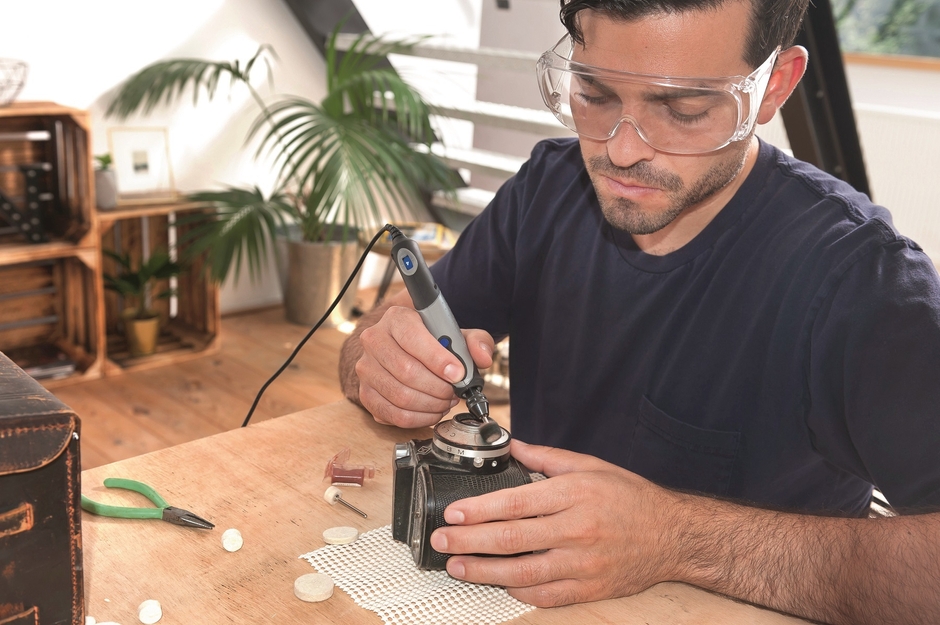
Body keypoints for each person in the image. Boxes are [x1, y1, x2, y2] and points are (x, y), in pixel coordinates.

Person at [338, 0, 940, 622]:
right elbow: (387, 333)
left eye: (683, 109)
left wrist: (678, 540)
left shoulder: (863, 281)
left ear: (774, 86)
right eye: (594, 94)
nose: (621, 151)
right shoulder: (549, 189)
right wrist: (377, 358)